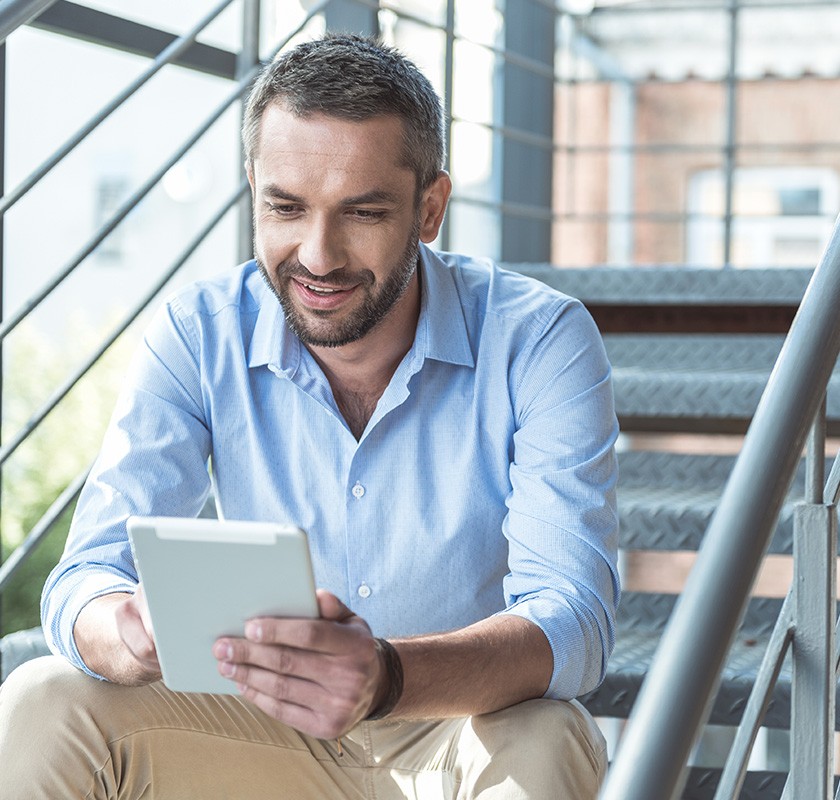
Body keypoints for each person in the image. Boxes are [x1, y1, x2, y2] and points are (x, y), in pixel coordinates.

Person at [0, 33, 619, 799]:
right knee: (39, 700)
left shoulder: (540, 339)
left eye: (362, 212)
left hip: (456, 726)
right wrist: (124, 629)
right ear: (253, 186)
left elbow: (574, 621)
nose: (318, 256)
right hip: (251, 728)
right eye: (286, 208)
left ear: (429, 210)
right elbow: (84, 578)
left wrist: (386, 675)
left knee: (549, 733)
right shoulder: (199, 333)